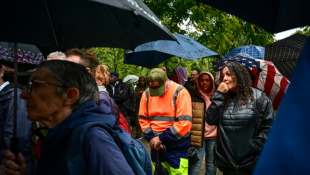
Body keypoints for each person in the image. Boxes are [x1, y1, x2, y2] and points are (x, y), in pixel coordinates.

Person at [0, 60, 134, 175]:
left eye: (35, 86)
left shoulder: (93, 139)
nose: (23, 95)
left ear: (69, 95)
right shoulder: (55, 135)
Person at [205, 62, 274, 175]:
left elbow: (269, 128)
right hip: (228, 164)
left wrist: (253, 147)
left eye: (229, 74)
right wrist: (218, 95)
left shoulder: (260, 99)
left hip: (250, 164)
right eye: (223, 76)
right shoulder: (222, 97)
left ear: (239, 75)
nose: (225, 79)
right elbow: (210, 120)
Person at [139, 68, 192, 174]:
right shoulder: (147, 93)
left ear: (166, 81)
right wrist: (153, 139)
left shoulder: (180, 92)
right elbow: (143, 119)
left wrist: (161, 138)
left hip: (177, 147)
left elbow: (184, 123)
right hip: (156, 147)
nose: (156, 93)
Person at [0, 63, 32, 174]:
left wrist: (10, 159)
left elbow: (18, 134)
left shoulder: (15, 95)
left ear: (2, 72)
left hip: (13, 165)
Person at [188, 72, 217, 175]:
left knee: (211, 165)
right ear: (198, 81)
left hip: (214, 137)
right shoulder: (193, 95)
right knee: (195, 165)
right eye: (202, 80)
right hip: (198, 136)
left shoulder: (217, 96)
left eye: (207, 80)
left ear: (212, 82)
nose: (205, 82)